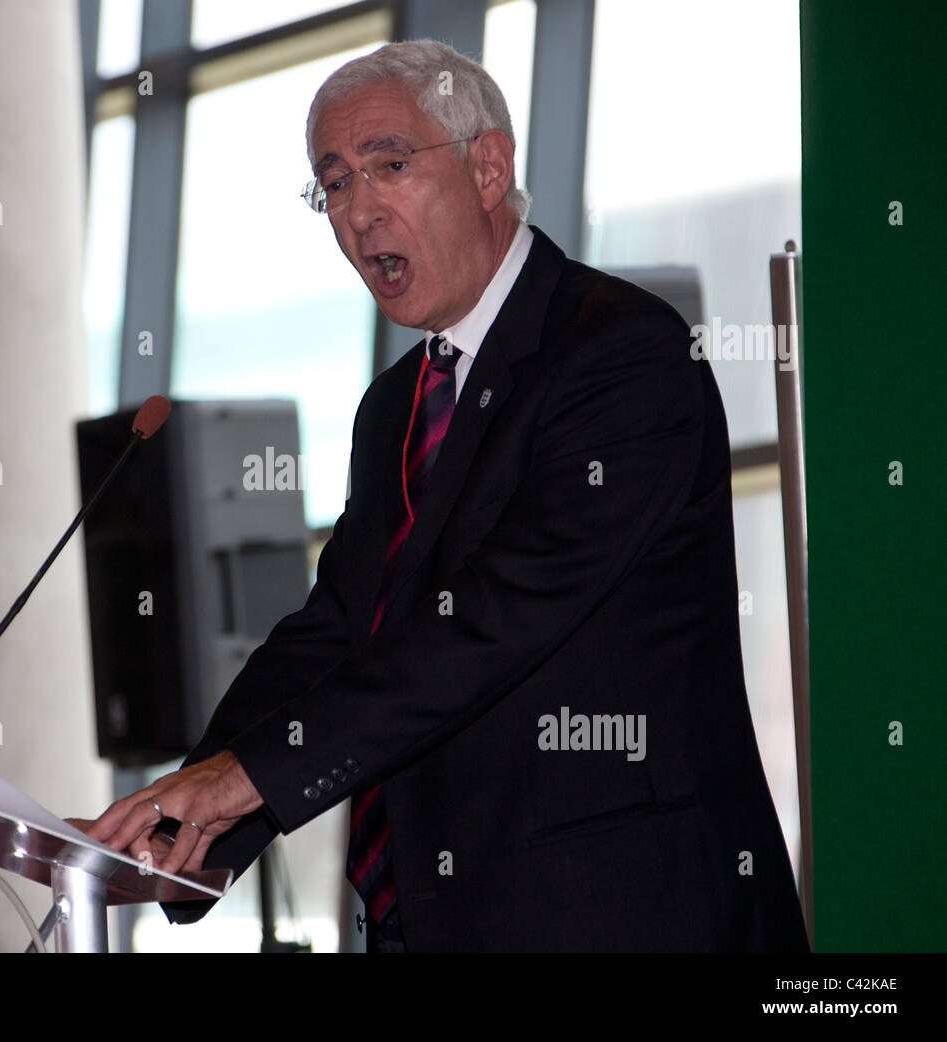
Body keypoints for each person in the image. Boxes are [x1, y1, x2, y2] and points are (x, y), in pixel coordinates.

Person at [73, 40, 810, 953]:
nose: (358, 210)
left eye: (389, 165)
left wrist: (251, 778)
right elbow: (338, 629)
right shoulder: (396, 407)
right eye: (334, 183)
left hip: (620, 913)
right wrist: (187, 817)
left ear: (489, 166)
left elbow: (492, 625)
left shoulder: (621, 355)